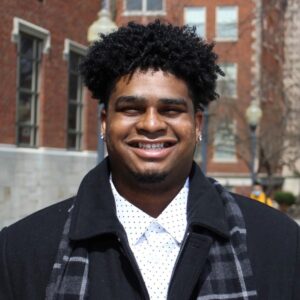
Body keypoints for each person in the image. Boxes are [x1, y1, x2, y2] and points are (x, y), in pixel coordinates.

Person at [0, 21, 299, 300]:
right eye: (131, 109)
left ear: (197, 125)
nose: (152, 124)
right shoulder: (21, 251)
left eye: (170, 110)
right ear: (105, 123)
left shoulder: (279, 243)